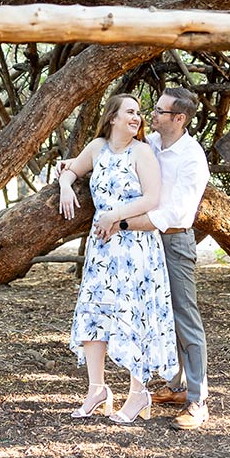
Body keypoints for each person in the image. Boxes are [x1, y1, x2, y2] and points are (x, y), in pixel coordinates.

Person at [58, 93, 179, 425]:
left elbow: (152, 199)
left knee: (133, 315)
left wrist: (113, 215)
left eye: (139, 113)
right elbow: (71, 170)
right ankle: (96, 390)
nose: (137, 117)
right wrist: (66, 185)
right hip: (102, 248)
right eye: (130, 111)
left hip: (135, 246)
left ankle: (138, 393)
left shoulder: (142, 152)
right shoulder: (97, 148)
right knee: (94, 313)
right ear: (112, 118)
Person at [94, 87, 210, 430]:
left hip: (172, 241)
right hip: (142, 244)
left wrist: (123, 222)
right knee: (153, 313)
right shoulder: (153, 145)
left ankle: (198, 400)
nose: (151, 115)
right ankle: (176, 386)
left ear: (179, 119)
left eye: (160, 111)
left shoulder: (192, 159)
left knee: (184, 316)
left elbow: (172, 213)